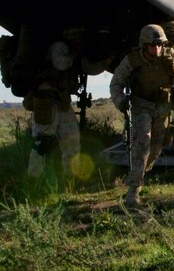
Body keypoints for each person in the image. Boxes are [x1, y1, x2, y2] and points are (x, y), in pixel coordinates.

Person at [109, 24, 174, 208]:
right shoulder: (132, 60)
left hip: (163, 105)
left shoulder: (171, 55)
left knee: (158, 145)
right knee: (143, 142)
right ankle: (133, 191)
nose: (156, 49)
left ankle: (139, 172)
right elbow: (116, 84)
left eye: (159, 45)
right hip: (141, 106)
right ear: (143, 45)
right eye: (152, 45)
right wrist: (121, 102)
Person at [26, 26, 112, 179]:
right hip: (47, 98)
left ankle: (70, 179)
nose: (78, 40)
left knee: (72, 141)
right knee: (42, 142)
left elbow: (88, 68)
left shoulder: (74, 51)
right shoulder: (58, 47)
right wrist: (75, 54)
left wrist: (106, 62)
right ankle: (34, 179)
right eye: (76, 37)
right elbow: (61, 64)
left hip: (63, 100)